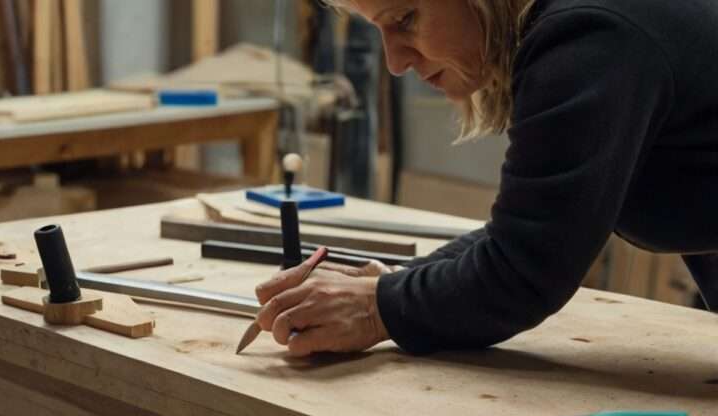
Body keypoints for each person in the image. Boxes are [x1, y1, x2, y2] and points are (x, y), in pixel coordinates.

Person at [254, 0, 718, 356]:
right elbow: (538, 227)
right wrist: (400, 279)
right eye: (378, 29)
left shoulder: (591, 38)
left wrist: (377, 308)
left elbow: (525, 269)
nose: (394, 62)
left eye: (405, 18)